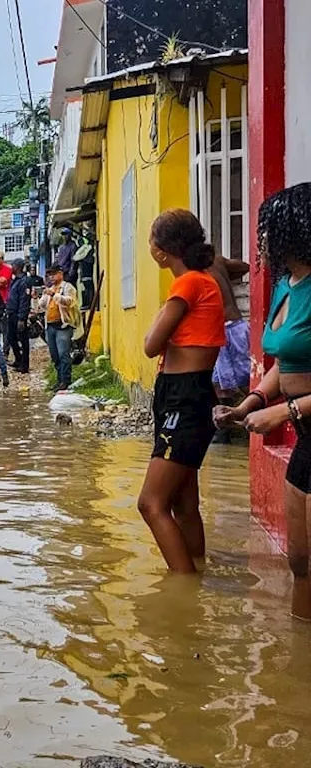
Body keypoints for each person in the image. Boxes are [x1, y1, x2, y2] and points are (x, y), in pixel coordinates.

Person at [215, 183, 311, 617]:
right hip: (305, 435)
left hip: (300, 418)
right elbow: (283, 363)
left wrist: (284, 412)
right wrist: (250, 403)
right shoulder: (285, 286)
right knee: (300, 560)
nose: (264, 240)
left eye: (271, 230)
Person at [137, 209, 226, 575]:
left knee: (151, 504)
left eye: (151, 240)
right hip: (193, 394)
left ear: (161, 251)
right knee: (185, 503)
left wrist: (160, 318)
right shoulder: (204, 282)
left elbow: (151, 344)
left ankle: (184, 586)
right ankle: (198, 579)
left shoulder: (187, 285)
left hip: (182, 398)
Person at [207, 251, 252, 437]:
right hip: (238, 326)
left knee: (222, 383)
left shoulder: (193, 267)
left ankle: (225, 433)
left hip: (222, 329)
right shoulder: (216, 259)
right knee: (247, 379)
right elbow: (245, 267)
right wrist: (224, 274)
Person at [40, 265, 80, 390]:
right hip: (50, 325)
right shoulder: (50, 288)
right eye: (49, 275)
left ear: (61, 274)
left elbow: (70, 301)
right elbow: (42, 305)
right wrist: (39, 296)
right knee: (55, 355)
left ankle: (65, 380)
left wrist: (54, 295)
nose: (51, 277)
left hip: (63, 325)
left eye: (53, 274)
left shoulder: (68, 287)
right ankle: (59, 379)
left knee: (63, 353)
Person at [5, 260, 33, 373]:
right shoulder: (15, 280)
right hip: (11, 313)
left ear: (17, 267)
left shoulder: (24, 281)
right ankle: (18, 359)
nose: (11, 267)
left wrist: (22, 318)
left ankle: (24, 365)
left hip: (19, 314)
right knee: (11, 337)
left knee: (23, 340)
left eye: (13, 265)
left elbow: (24, 300)